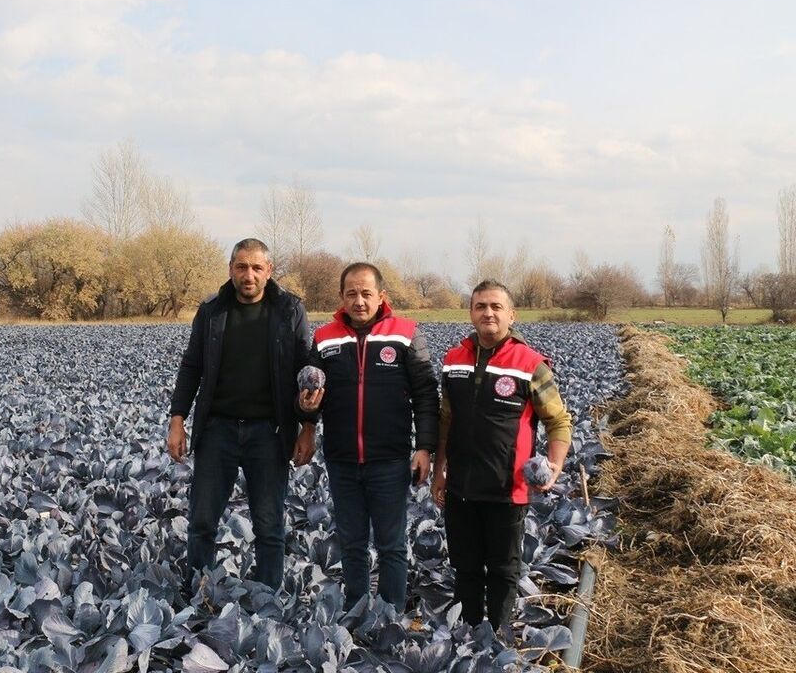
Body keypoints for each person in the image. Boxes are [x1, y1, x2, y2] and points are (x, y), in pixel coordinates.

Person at [167, 238, 315, 592]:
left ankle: (268, 597)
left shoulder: (289, 310)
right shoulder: (213, 310)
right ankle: (198, 591)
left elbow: (305, 370)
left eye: (256, 268)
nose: (248, 275)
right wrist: (177, 420)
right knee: (202, 520)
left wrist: (309, 426)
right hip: (218, 428)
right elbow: (192, 366)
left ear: (269, 271)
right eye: (241, 267)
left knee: (269, 523)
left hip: (270, 431)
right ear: (231, 269)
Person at [430, 280, 572, 630]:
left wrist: (553, 468)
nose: (488, 313)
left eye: (496, 306)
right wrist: (439, 472)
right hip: (461, 486)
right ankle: (469, 635)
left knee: (503, 569)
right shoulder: (453, 360)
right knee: (465, 567)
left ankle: (498, 639)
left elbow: (558, 421)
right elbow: (446, 420)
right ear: (471, 313)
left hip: (507, 489)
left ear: (511, 314)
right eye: (480, 306)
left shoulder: (531, 364)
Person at [297, 262, 439, 611]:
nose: (359, 301)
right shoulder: (325, 337)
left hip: (389, 458)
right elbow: (311, 392)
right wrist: (305, 412)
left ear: (381, 296)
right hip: (342, 458)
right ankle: (356, 610)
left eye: (366, 293)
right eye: (351, 294)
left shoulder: (405, 334)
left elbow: (425, 393)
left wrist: (425, 447)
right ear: (342, 297)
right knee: (352, 542)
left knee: (392, 544)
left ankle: (390, 613)